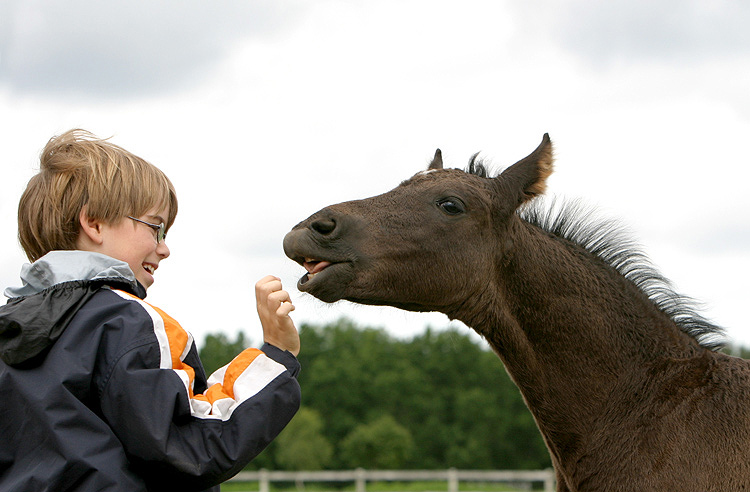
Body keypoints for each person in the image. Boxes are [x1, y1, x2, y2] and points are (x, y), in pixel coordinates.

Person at [0, 129, 301, 492]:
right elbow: (192, 446)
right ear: (93, 223)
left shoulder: (8, 331)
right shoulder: (127, 322)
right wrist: (276, 356)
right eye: (156, 228)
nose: (164, 248)